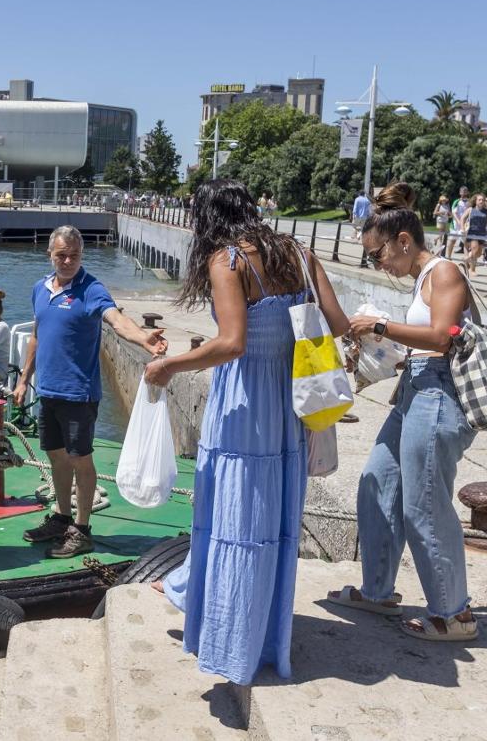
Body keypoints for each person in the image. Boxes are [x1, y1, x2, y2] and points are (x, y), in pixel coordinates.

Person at [145, 179, 349, 686]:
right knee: (272, 523)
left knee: (235, 518)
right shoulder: (299, 254)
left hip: (244, 402)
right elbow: (339, 324)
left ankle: (233, 642)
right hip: (289, 400)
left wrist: (172, 365)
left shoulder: (227, 261)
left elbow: (231, 343)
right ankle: (262, 638)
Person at [328, 181, 479, 642]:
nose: (378, 264)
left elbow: (440, 337)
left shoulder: (445, 272)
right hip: (415, 390)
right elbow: (421, 340)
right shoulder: (424, 277)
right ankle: (377, 590)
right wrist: (383, 344)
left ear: (404, 242)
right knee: (378, 480)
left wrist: (378, 324)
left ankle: (454, 615)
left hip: (438, 397)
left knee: (425, 505)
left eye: (378, 254)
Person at [12, 225, 166, 558]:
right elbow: (38, 335)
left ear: (82, 255)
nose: (67, 261)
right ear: (49, 254)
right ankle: (62, 517)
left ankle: (81, 529)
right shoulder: (40, 289)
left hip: (78, 392)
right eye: (61, 254)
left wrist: (143, 338)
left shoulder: (91, 289)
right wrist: (25, 378)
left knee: (80, 458)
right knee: (55, 455)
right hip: (48, 390)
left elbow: (115, 319)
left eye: (74, 255)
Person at [462, 193, 487, 276]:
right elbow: (462, 218)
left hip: (482, 234)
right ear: (476, 201)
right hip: (472, 233)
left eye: (483, 200)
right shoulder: (470, 209)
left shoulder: (486, 211)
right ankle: (472, 270)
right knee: (475, 250)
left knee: (479, 253)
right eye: (479, 200)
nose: (482, 201)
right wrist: (462, 229)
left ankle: (466, 259)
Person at [451, 186, 471, 254]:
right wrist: (459, 222)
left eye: (465, 191)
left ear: (468, 192)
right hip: (456, 225)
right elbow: (453, 213)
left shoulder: (470, 202)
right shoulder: (457, 201)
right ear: (460, 193)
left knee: (465, 242)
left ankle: (466, 260)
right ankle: (448, 256)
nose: (464, 193)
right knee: (453, 241)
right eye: (462, 191)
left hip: (465, 225)